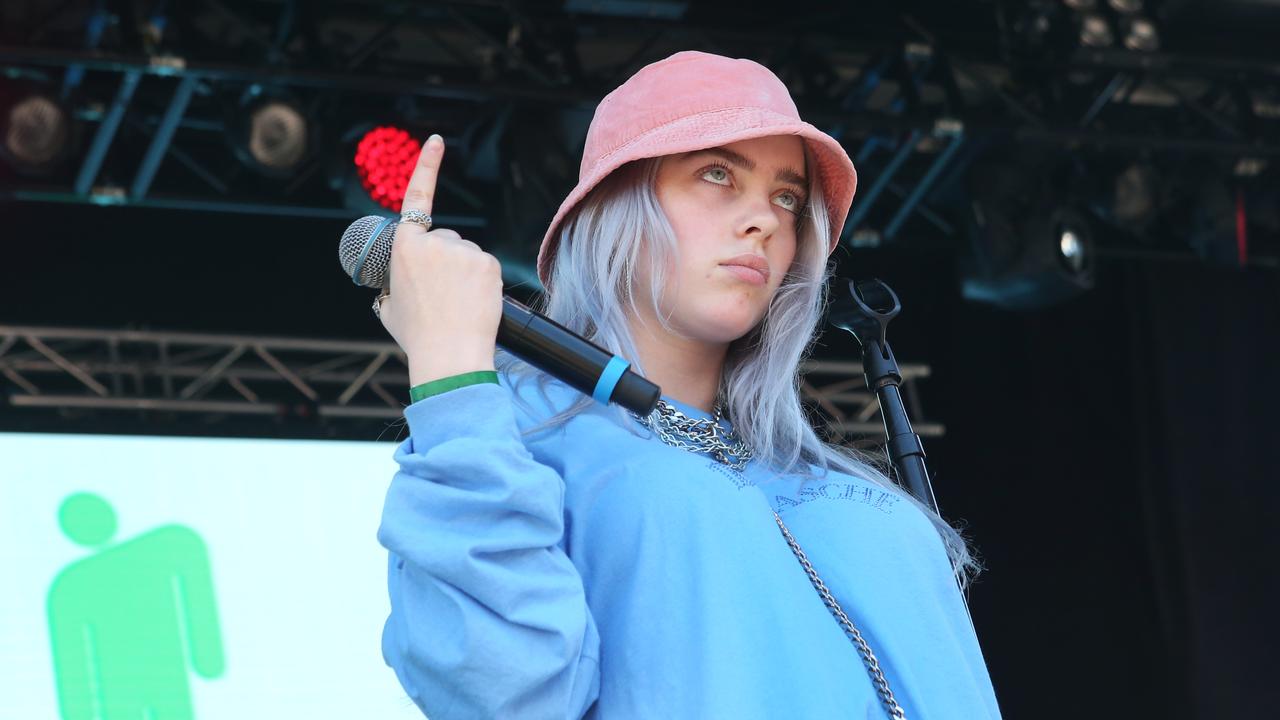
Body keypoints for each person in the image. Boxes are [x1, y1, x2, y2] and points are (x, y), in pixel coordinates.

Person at [373, 51, 1002, 719]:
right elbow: (505, 691)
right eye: (716, 174)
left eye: (787, 197)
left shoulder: (814, 475)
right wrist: (449, 370)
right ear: (617, 203)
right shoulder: (512, 442)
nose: (764, 219)